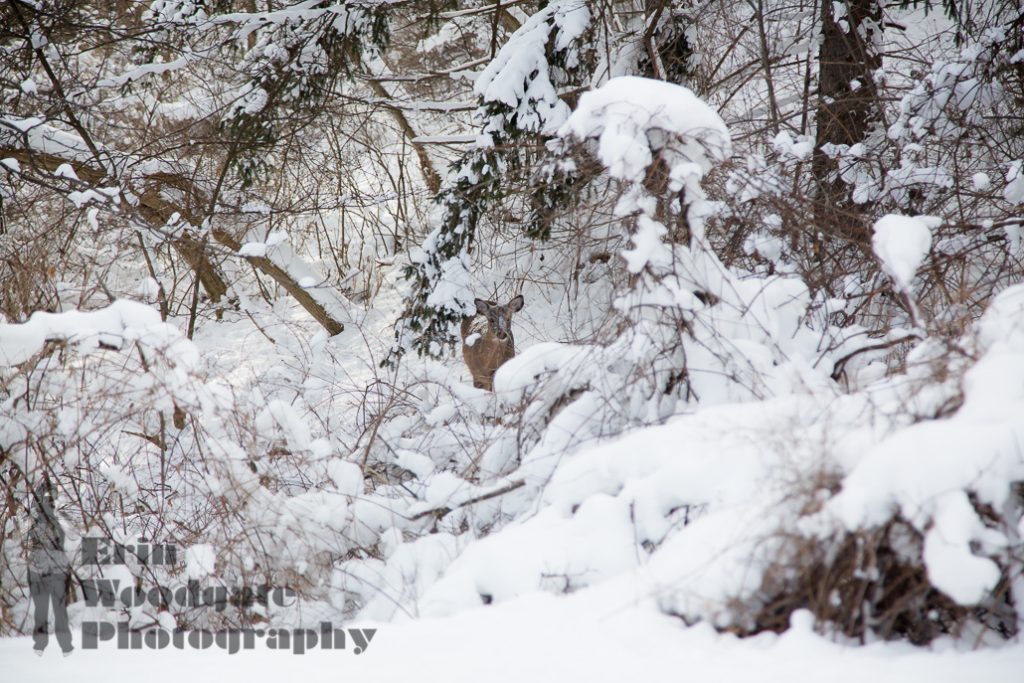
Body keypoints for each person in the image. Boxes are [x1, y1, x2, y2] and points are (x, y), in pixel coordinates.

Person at [27, 478, 73, 655]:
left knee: (45, 609)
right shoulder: (54, 524)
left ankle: (46, 645)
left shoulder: (43, 524)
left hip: (47, 570)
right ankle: (62, 646)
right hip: (51, 570)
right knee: (55, 610)